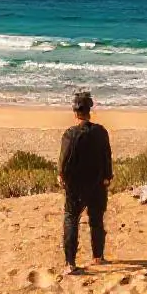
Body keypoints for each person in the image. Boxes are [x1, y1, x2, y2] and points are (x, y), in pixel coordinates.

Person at [58, 89, 113, 275]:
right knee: (96, 220)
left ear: (75, 112)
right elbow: (107, 156)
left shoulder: (70, 134)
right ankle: (98, 257)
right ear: (90, 111)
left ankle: (70, 263)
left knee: (71, 218)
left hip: (76, 185)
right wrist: (107, 177)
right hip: (97, 182)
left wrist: (61, 176)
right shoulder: (101, 132)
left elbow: (64, 159)